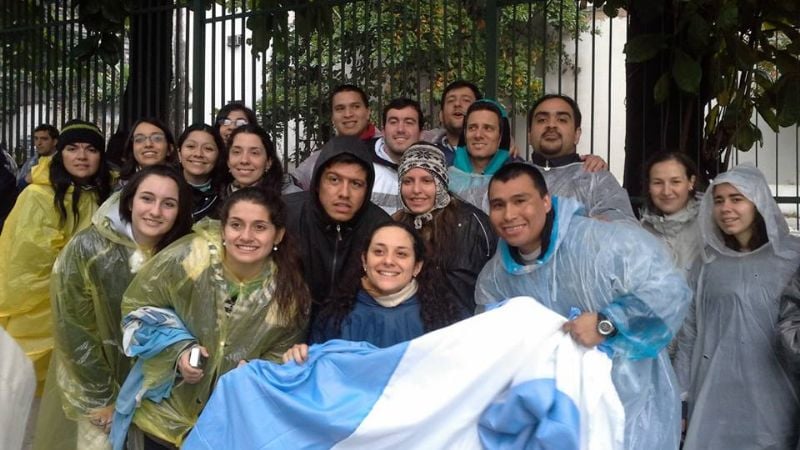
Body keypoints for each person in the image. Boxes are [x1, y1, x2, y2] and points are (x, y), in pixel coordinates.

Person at [476, 162, 690, 450]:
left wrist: (607, 323)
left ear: (546, 201)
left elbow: (668, 290)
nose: (509, 214)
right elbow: (491, 348)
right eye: (498, 205)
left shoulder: (603, 242)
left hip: (630, 415)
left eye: (520, 201)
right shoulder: (495, 279)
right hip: (553, 426)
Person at [114, 187, 310, 449]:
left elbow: (282, 353)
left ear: (278, 235)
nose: (246, 236)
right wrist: (178, 349)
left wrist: (256, 373)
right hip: (162, 416)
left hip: (226, 429)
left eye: (260, 227)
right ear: (223, 230)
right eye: (236, 225)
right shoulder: (189, 259)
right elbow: (138, 307)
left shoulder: (288, 294)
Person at [40, 165, 193, 450]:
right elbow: (74, 330)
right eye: (147, 198)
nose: (155, 211)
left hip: (160, 396)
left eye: (169, 204)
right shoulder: (88, 249)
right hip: (101, 393)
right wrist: (99, 398)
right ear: (130, 200)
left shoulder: (187, 255)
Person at [675, 164, 800, 450]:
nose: (726, 208)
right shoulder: (706, 264)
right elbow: (689, 335)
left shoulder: (792, 258)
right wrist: (681, 397)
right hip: (715, 398)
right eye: (719, 200)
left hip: (778, 398)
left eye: (737, 199)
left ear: (758, 202)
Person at [0, 119, 112, 393]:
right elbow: (28, 263)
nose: (82, 156)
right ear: (60, 154)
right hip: (39, 314)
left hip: (85, 312)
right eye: (72, 148)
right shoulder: (38, 196)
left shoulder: (101, 195)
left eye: (91, 149)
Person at [284, 222, 461, 362]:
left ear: (417, 266)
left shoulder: (442, 319)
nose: (388, 261)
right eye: (379, 251)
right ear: (364, 260)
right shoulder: (335, 315)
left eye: (401, 254)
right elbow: (319, 374)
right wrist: (300, 357)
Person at [285, 135, 391, 318]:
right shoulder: (286, 215)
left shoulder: (380, 228)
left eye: (356, 184)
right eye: (334, 180)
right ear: (317, 183)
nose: (344, 193)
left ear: (367, 189)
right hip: (290, 324)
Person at [393, 143, 496, 317]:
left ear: (441, 182)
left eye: (427, 180)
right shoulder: (394, 227)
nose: (416, 190)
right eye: (408, 181)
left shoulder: (474, 224)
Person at [527, 94, 635, 221]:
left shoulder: (596, 177)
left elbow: (623, 224)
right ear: (529, 135)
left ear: (576, 135)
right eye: (542, 120)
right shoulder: (511, 176)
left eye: (562, 120)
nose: (551, 125)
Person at [291, 84, 381, 190]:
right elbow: (290, 185)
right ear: (332, 117)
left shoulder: (387, 150)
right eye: (340, 109)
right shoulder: (319, 159)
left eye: (355, 107)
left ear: (368, 112)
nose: (348, 114)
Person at [640, 151, 702, 277]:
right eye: (658, 183)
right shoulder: (640, 232)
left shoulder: (710, 224)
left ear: (691, 182)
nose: (666, 192)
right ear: (649, 186)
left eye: (675, 182)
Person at [447, 99, 512, 212]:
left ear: (500, 136)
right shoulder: (445, 178)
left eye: (488, 128)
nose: (478, 135)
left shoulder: (514, 180)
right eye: (472, 128)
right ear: (465, 134)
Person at [369, 97, 424, 214]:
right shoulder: (364, 166)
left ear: (421, 133)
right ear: (383, 131)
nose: (400, 129)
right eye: (393, 122)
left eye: (409, 122)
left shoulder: (433, 170)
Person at [223, 124, 300, 199]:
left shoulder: (293, 198)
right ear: (228, 161)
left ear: (268, 162)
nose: (244, 160)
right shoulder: (220, 197)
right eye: (236, 152)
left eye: (254, 153)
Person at [422, 80, 482, 164]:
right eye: (451, 100)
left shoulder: (494, 156)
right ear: (441, 115)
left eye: (466, 100)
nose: (457, 104)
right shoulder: (426, 155)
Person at [176, 124, 227, 221]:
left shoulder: (226, 195)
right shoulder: (164, 187)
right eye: (191, 146)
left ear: (218, 155)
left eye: (208, 149)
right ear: (179, 153)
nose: (198, 154)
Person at [118, 118, 178, 186]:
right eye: (139, 139)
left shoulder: (180, 185)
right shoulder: (121, 185)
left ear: (170, 149)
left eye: (157, 138)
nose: (148, 144)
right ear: (132, 148)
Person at [18, 123, 59, 189]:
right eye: (36, 138)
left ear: (55, 142)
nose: (38, 143)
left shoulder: (64, 161)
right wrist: (25, 181)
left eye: (44, 139)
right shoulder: (31, 162)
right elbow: (17, 187)